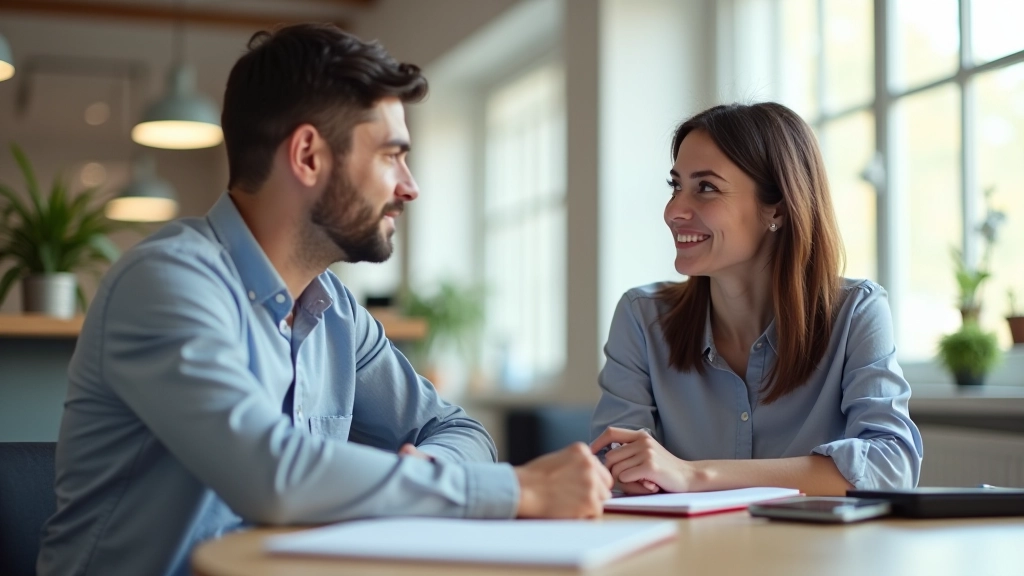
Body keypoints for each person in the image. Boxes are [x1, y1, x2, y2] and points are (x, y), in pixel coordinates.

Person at [37, 24, 611, 576]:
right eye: (391, 155)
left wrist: (431, 473)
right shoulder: (166, 283)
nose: (410, 186)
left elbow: (459, 428)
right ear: (308, 156)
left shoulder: (334, 311)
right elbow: (271, 474)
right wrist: (517, 489)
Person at [589, 102, 923, 497]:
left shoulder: (855, 312)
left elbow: (891, 466)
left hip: (817, 557)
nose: (674, 211)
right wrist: (635, 473)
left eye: (706, 187)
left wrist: (696, 475)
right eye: (676, 185)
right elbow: (618, 471)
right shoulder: (641, 319)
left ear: (777, 207)